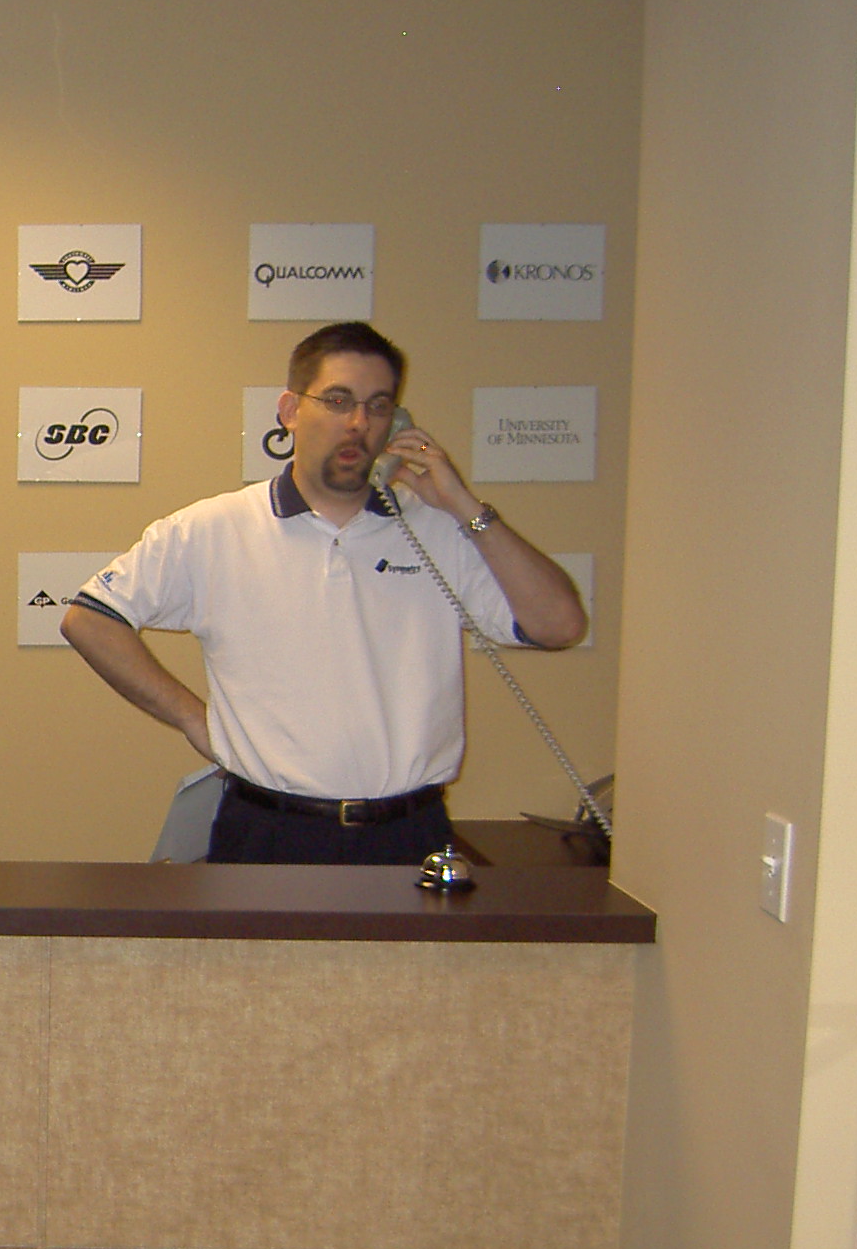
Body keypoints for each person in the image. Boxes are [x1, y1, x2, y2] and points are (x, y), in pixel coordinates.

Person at [62, 321, 587, 865]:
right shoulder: (214, 528)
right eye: (338, 401)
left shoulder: (437, 530)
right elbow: (89, 619)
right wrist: (197, 720)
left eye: (378, 406)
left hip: (409, 835)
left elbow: (561, 625)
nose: (359, 423)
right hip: (268, 832)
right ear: (290, 410)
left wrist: (463, 506)